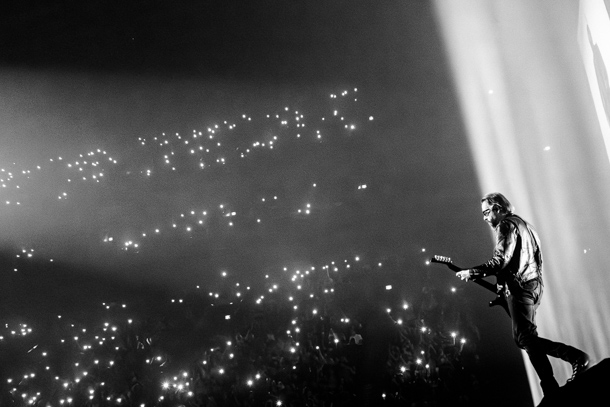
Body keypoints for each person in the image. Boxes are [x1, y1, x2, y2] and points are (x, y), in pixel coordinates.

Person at [456, 192, 590, 395]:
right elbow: (524, 261)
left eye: (486, 212)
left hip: (522, 288)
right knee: (525, 338)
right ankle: (551, 385)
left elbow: (500, 261)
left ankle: (574, 359)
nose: (484, 218)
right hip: (533, 286)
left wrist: (472, 272)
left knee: (525, 338)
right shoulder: (527, 226)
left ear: (498, 208)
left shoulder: (505, 225)